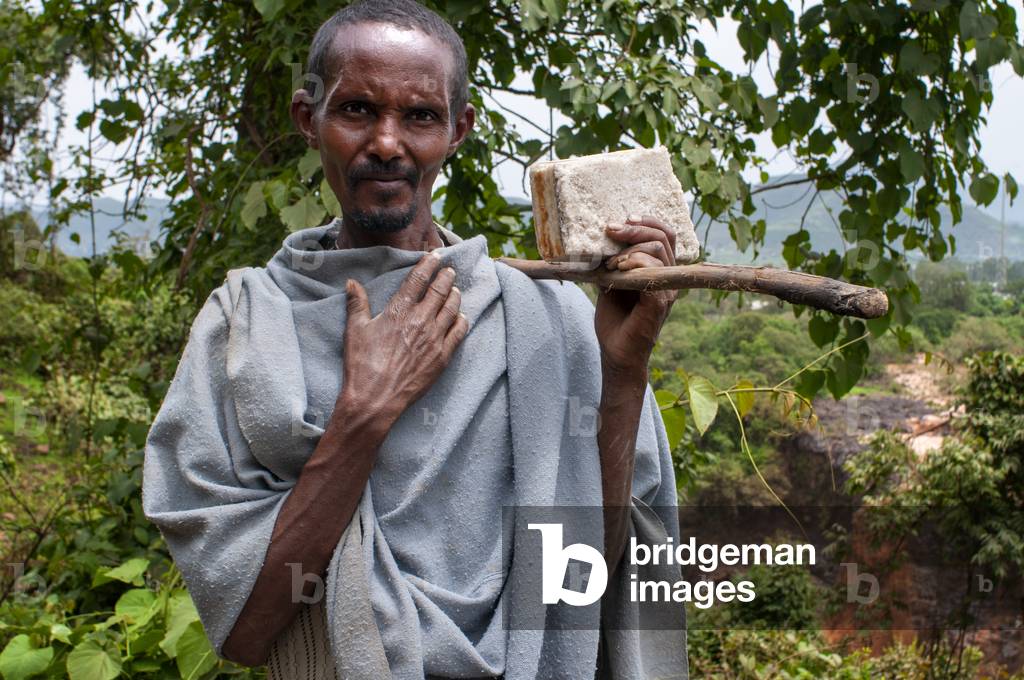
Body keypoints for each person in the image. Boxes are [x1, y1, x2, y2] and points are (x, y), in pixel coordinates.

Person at [142, 1, 688, 678]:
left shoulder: (543, 318)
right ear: (307, 119)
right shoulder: (247, 325)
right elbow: (247, 628)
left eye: (420, 116)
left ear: (458, 129)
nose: (388, 143)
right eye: (357, 110)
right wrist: (362, 416)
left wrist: (623, 371)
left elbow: (580, 587)